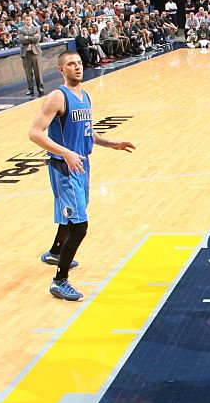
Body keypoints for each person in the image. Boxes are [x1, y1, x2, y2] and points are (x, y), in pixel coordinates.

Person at [28, 51, 135, 302]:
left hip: (82, 165)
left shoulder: (84, 96)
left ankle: (55, 252)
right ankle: (59, 281)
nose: (77, 67)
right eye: (71, 64)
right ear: (61, 70)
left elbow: (89, 133)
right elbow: (35, 133)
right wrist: (66, 153)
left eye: (79, 63)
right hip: (65, 167)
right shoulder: (57, 96)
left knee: (73, 214)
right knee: (79, 225)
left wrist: (112, 143)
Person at [18, 14, 45, 97]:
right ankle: (30, 89)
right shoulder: (20, 29)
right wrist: (31, 38)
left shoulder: (36, 28)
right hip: (26, 53)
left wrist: (27, 37)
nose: (28, 21)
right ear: (24, 21)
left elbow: (37, 39)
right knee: (28, 73)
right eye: (26, 20)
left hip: (35, 52)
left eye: (29, 19)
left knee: (38, 72)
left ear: (32, 20)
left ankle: (41, 89)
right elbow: (21, 40)